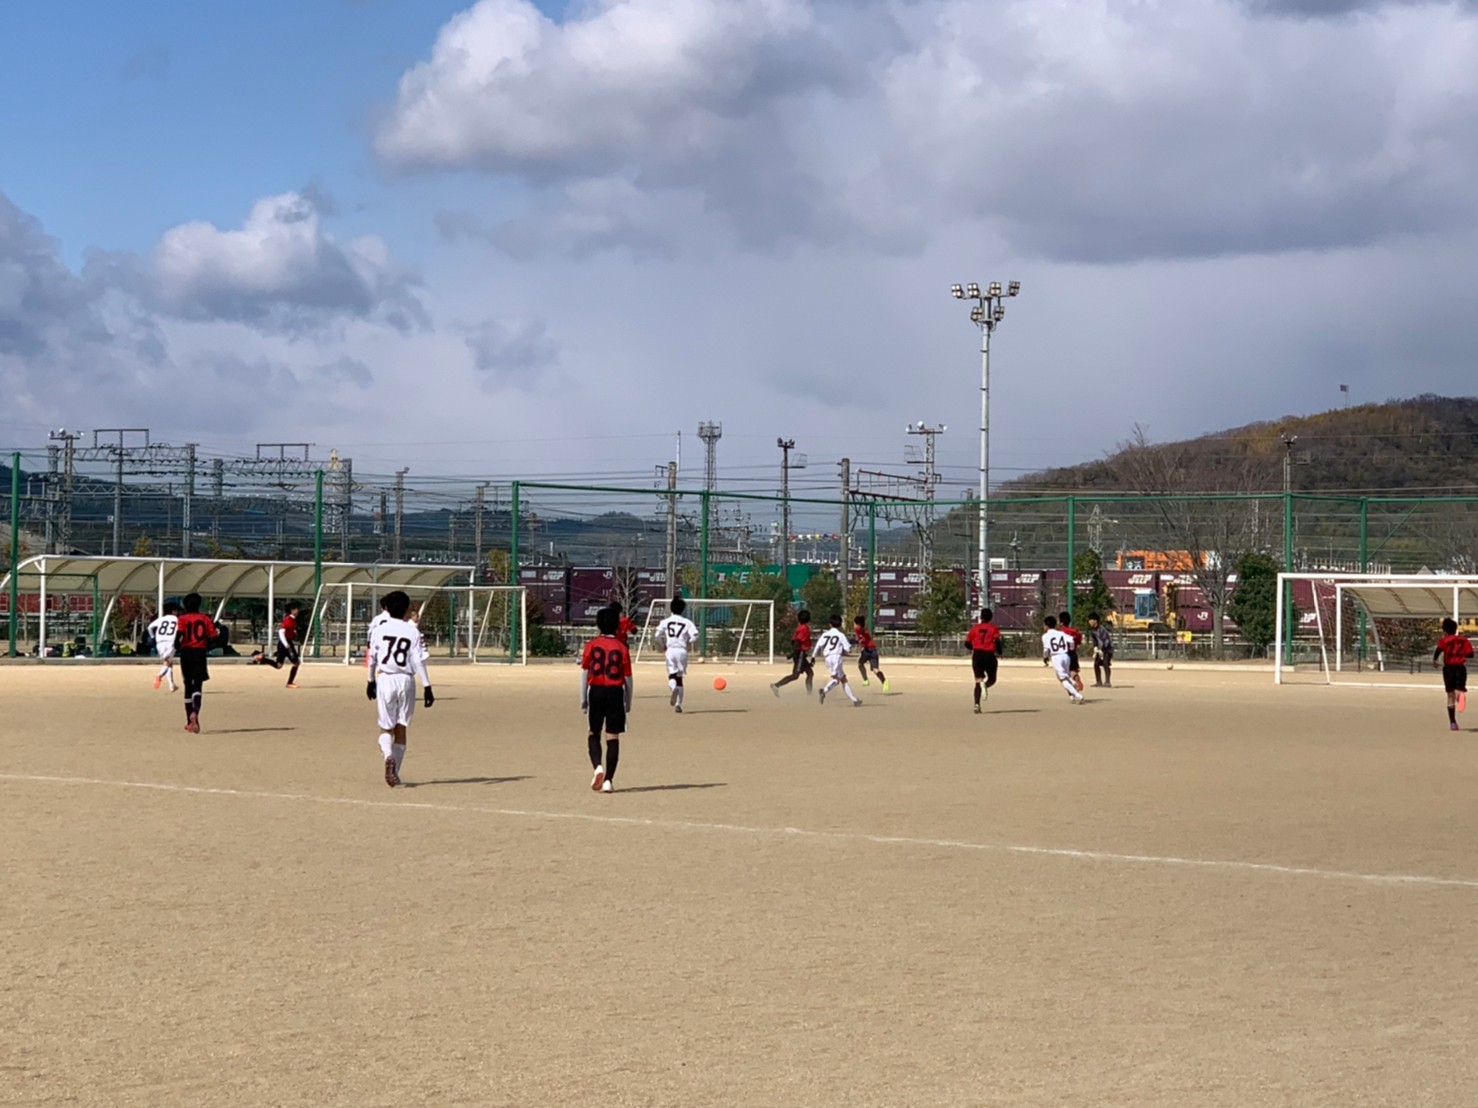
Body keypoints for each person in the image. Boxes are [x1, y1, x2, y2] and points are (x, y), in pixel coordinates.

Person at [365, 590, 434, 787]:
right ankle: (395, 771)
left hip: (386, 678)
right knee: (401, 726)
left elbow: (372, 658)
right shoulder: (412, 631)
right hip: (406, 680)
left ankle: (388, 756)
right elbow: (418, 660)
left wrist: (370, 681)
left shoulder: (379, 630)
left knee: (386, 726)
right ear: (406, 609)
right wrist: (427, 686)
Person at [582, 605, 633, 793]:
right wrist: (628, 700)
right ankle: (609, 780)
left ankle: (598, 767)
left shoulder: (591, 645)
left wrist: (583, 698)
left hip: (595, 691)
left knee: (593, 732)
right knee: (612, 736)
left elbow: (585, 672)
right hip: (615, 692)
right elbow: (628, 678)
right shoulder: (622, 647)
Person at [175, 593, 221, 733]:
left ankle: (189, 721)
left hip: (186, 652)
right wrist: (206, 644)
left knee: (188, 685)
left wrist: (177, 647)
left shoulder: (182, 619)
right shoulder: (205, 619)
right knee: (198, 685)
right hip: (200, 653)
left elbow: (178, 636)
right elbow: (215, 637)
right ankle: (195, 711)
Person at [656, 596, 699, 712]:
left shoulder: (665, 622)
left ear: (671, 609)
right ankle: (678, 704)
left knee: (672, 675)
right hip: (682, 650)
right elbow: (695, 635)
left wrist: (662, 644)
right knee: (680, 678)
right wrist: (689, 642)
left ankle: (673, 687)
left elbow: (657, 635)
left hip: (670, 650)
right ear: (683, 609)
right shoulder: (687, 622)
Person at [1433, 618, 1473, 732]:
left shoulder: (1444, 641)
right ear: (1456, 629)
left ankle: (1453, 723)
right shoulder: (1464, 640)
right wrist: (1461, 654)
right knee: (1459, 689)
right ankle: (1460, 696)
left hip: (1448, 669)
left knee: (1450, 695)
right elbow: (1470, 654)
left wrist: (1434, 661)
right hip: (1460, 667)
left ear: (1444, 630)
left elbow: (1438, 651)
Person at [814, 614, 861, 707]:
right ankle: (824, 691)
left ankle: (855, 700)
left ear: (830, 624)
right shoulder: (840, 635)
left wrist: (813, 656)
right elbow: (848, 649)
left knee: (843, 679)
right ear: (840, 624)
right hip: (836, 658)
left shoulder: (825, 634)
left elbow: (818, 645)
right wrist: (850, 644)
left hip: (827, 658)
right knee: (836, 680)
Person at [770, 609, 816, 697]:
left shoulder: (800, 628)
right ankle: (776, 685)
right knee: (795, 675)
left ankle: (809, 694)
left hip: (801, 654)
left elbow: (793, 640)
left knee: (810, 673)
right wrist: (793, 654)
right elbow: (797, 641)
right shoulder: (804, 628)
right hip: (800, 654)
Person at [964, 607, 1001, 713]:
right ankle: (985, 685)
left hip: (977, 655)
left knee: (978, 681)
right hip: (989, 655)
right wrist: (1000, 652)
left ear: (980, 617)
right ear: (991, 617)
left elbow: (967, 643)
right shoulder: (993, 628)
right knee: (992, 679)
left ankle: (977, 704)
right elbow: (997, 641)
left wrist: (975, 648)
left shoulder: (975, 628)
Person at [1042, 615, 1084, 705]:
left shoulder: (1045, 636)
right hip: (1066, 655)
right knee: (1065, 675)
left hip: (1056, 657)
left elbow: (1046, 650)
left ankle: (1077, 695)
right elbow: (1071, 640)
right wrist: (1071, 648)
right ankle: (1072, 682)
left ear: (1046, 626)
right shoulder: (1061, 633)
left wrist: (1045, 658)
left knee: (1062, 679)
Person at [267, 601, 303, 688]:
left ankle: (262, 659)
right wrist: (286, 644)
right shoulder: (289, 619)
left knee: (278, 665)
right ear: (292, 610)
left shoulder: (292, 620)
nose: (297, 610)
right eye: (296, 609)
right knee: (296, 663)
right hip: (286, 643)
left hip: (283, 643)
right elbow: (281, 632)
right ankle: (290, 683)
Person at [148, 601, 181, 692]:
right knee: (168, 664)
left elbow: (150, 627)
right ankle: (160, 675)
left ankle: (172, 685)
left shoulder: (161, 619)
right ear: (173, 611)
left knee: (168, 663)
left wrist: (152, 637)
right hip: (170, 642)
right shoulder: (176, 619)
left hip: (160, 642)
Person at [853, 615, 889, 691]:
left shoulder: (857, 628)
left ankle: (865, 680)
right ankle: (884, 681)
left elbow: (858, 639)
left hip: (866, 650)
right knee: (875, 669)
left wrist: (856, 642)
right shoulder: (865, 629)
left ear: (856, 623)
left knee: (860, 664)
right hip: (873, 649)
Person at [1058, 611, 1085, 692]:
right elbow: (1079, 642)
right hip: (1073, 654)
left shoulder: (1060, 632)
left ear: (1061, 623)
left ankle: (1072, 690)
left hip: (1064, 654)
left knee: (1064, 674)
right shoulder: (1075, 631)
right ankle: (1076, 678)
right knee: (1073, 671)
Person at [1089, 612, 1114, 688]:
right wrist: (1095, 648)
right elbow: (1095, 641)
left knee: (1105, 663)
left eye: (1091, 620)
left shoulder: (1102, 629)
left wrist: (1102, 649)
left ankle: (1107, 682)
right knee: (1096, 664)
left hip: (1107, 649)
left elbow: (1106, 641)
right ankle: (1098, 682)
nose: (1089, 622)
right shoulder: (1093, 630)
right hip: (1100, 649)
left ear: (1095, 621)